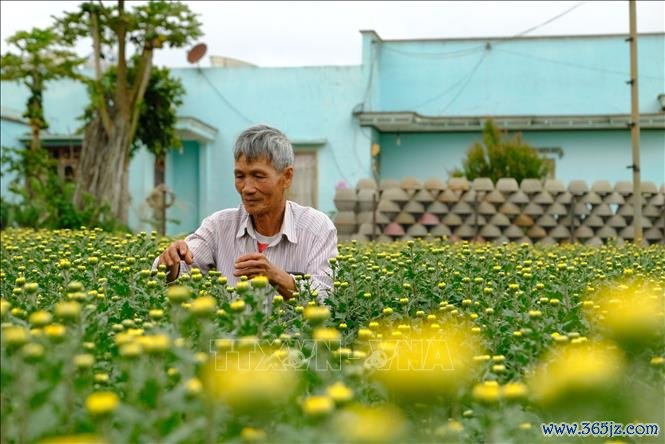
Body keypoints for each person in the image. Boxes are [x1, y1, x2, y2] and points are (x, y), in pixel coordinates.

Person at [155, 124, 338, 301]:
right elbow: (176, 275)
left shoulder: (317, 228)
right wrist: (171, 264)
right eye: (240, 176)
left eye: (258, 176)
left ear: (287, 177)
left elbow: (325, 296)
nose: (247, 188)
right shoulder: (219, 226)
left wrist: (276, 276)